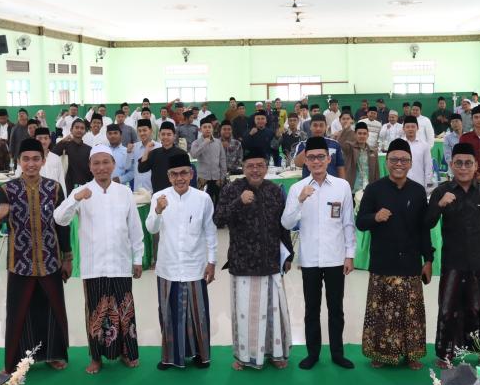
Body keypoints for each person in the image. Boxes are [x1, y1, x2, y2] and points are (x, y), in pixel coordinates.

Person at [54, 145, 144, 374]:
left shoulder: (124, 192)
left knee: (124, 310)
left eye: (106, 162)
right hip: (94, 266)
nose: (101, 167)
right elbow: (60, 219)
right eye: (96, 163)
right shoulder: (82, 191)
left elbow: (134, 227)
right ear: (90, 166)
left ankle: (127, 352)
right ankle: (96, 357)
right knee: (96, 312)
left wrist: (138, 258)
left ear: (113, 164)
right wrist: (75, 198)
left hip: (121, 263)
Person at [0, 138, 72, 374]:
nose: (31, 164)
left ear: (43, 161)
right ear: (19, 161)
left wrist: (68, 257)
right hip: (20, 263)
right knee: (18, 313)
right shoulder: (6, 190)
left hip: (50, 262)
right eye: (26, 159)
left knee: (52, 310)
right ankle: (13, 361)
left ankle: (53, 355)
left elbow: (63, 225)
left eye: (36, 159)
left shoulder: (54, 189)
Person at [356, 138, 433, 369]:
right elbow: (361, 222)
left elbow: (424, 230)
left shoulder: (418, 192)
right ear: (387, 161)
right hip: (383, 262)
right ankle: (380, 353)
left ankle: (412, 354)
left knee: (411, 312)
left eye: (404, 160)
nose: (399, 163)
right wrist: (374, 217)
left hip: (410, 262)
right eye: (394, 159)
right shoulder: (374, 189)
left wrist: (428, 259)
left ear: (410, 163)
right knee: (381, 312)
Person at [214, 148, 293, 370]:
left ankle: (276, 354)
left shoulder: (275, 191)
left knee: (273, 311)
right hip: (243, 262)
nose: (255, 170)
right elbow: (218, 218)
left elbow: (283, 225)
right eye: (250, 166)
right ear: (243, 167)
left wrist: (288, 254)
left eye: (260, 165)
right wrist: (239, 202)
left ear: (266, 168)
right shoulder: (232, 189)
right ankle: (244, 357)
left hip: (271, 260)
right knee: (246, 314)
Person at [281, 137, 356, 370]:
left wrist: (350, 254)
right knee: (311, 309)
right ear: (305, 160)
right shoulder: (296, 188)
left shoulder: (342, 186)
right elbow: (286, 222)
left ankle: (337, 353)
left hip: (335, 257)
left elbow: (348, 223)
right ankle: (312, 353)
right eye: (311, 157)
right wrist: (300, 200)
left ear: (329, 158)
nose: (316, 161)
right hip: (310, 259)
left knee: (336, 309)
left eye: (320, 157)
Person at [427, 142, 480, 366]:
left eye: (467, 163)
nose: (463, 168)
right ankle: (446, 354)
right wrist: (439, 205)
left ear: (476, 165)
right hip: (454, 262)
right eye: (458, 163)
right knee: (450, 308)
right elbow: (427, 222)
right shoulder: (442, 191)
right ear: (451, 165)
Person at [145, 154, 217, 369]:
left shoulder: (203, 199)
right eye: (174, 174)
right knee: (168, 314)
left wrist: (212, 261)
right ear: (168, 176)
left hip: (195, 266)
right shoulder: (159, 197)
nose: (179, 178)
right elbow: (151, 228)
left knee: (198, 314)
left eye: (184, 173)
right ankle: (169, 356)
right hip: (168, 267)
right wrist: (158, 210)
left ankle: (200, 355)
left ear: (191, 174)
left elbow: (210, 232)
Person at [138, 121, 189, 193]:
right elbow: (141, 169)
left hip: (177, 194)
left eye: (169, 134)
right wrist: (146, 150)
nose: (165, 137)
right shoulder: (154, 153)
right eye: (163, 134)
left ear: (174, 136)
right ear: (159, 135)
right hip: (158, 194)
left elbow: (186, 176)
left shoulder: (181, 154)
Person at [14, 127, 67, 195]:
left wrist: (64, 201)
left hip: (53, 197)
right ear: (35, 140)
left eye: (46, 138)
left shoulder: (56, 158)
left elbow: (61, 181)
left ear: (50, 140)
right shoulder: (27, 159)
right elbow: (18, 178)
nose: (43, 141)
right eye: (40, 138)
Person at [294, 114, 346, 179]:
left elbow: (340, 166)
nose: (318, 128)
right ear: (310, 127)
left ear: (326, 127)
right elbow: (298, 163)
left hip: (332, 185)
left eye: (321, 125)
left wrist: (342, 184)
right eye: (315, 125)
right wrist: (310, 145)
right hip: (310, 185)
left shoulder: (335, 144)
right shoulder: (303, 144)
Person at [190, 117, 226, 205]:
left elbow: (222, 160)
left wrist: (223, 176)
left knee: (218, 201)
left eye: (209, 127)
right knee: (203, 203)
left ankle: (217, 218)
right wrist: (205, 143)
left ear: (212, 129)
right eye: (205, 127)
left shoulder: (218, 142)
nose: (207, 129)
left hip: (217, 177)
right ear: (200, 129)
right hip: (203, 178)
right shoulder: (196, 143)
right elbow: (193, 155)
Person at [52, 118, 93, 191]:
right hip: (67, 185)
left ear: (85, 132)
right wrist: (62, 141)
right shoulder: (64, 146)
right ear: (71, 130)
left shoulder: (89, 149)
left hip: (83, 186)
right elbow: (52, 155)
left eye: (82, 128)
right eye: (76, 127)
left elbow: (91, 170)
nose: (79, 130)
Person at [340, 121, 380, 194]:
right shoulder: (350, 148)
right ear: (355, 134)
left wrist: (377, 189)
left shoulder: (373, 152)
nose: (362, 136)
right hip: (353, 189)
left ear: (368, 135)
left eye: (364, 134)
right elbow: (341, 143)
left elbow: (376, 173)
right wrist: (345, 129)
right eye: (359, 133)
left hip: (368, 189)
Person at [129, 119, 161, 192]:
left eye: (144, 130)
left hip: (154, 189)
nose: (142, 133)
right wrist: (128, 153)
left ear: (150, 130)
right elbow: (127, 166)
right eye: (139, 131)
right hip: (138, 190)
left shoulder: (159, 147)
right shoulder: (134, 147)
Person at [402, 116, 432, 191]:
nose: (410, 129)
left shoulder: (424, 145)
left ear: (417, 128)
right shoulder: (399, 144)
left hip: (419, 185)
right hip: (402, 185)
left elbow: (428, 168)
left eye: (413, 126)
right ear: (403, 128)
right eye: (407, 127)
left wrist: (428, 188)